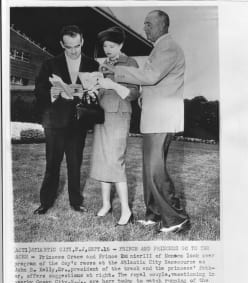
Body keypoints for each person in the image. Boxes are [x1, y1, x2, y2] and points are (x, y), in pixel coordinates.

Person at [100, 11, 190, 233]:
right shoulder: (160, 48)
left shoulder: (167, 47)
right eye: (144, 24)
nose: (145, 28)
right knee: (149, 168)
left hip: (161, 118)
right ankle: (154, 215)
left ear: (162, 25)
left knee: (155, 169)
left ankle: (175, 218)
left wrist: (116, 71)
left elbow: (150, 77)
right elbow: (154, 81)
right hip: (155, 117)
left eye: (149, 24)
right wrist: (142, 95)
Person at [34, 25, 99, 214]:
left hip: (78, 124)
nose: (73, 51)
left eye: (77, 46)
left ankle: (76, 201)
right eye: (68, 47)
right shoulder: (49, 64)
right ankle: (45, 202)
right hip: (54, 123)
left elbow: (95, 95)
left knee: (75, 164)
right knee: (52, 165)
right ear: (62, 44)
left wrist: (83, 92)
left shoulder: (92, 65)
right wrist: (53, 93)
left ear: (82, 42)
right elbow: (39, 90)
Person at [90, 27, 140, 225]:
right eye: (104, 46)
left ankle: (126, 210)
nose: (107, 50)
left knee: (116, 160)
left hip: (119, 115)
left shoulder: (131, 63)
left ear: (121, 45)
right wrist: (93, 89)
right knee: (102, 158)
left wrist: (112, 85)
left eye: (111, 46)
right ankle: (106, 204)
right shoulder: (103, 65)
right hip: (102, 114)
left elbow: (134, 93)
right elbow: (102, 92)